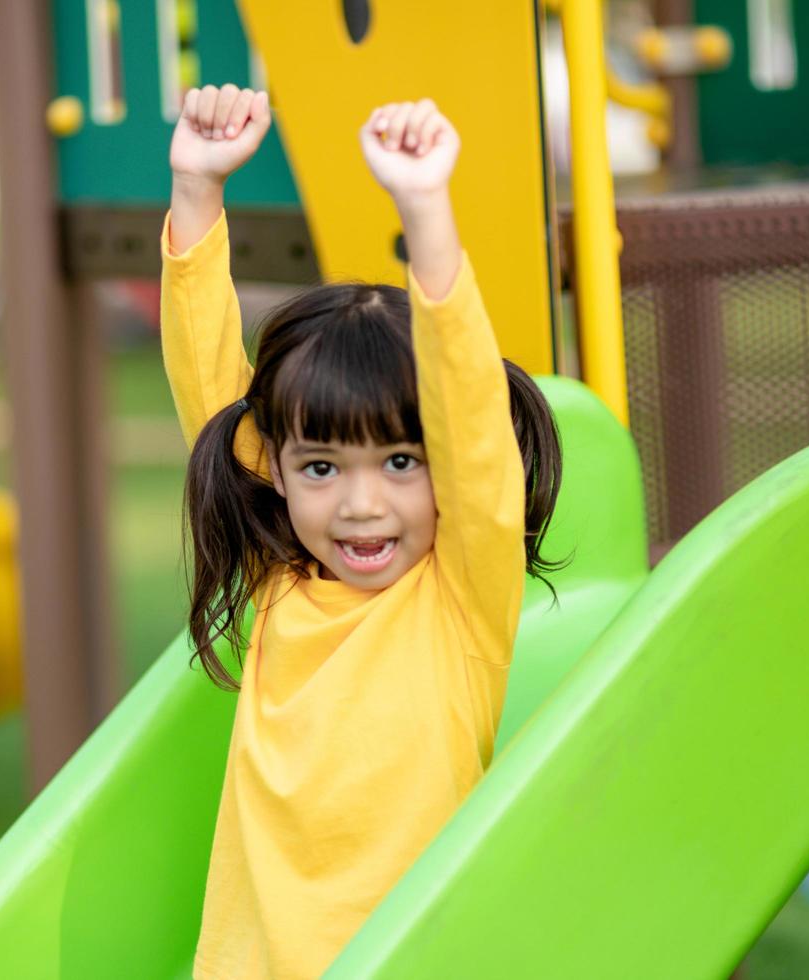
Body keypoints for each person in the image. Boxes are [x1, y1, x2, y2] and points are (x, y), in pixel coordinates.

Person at [162, 83, 564, 980]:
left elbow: (468, 416)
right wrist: (196, 188)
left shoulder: (460, 597)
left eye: (399, 463)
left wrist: (426, 208)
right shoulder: (281, 583)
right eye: (320, 467)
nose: (359, 505)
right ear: (278, 469)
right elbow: (209, 391)